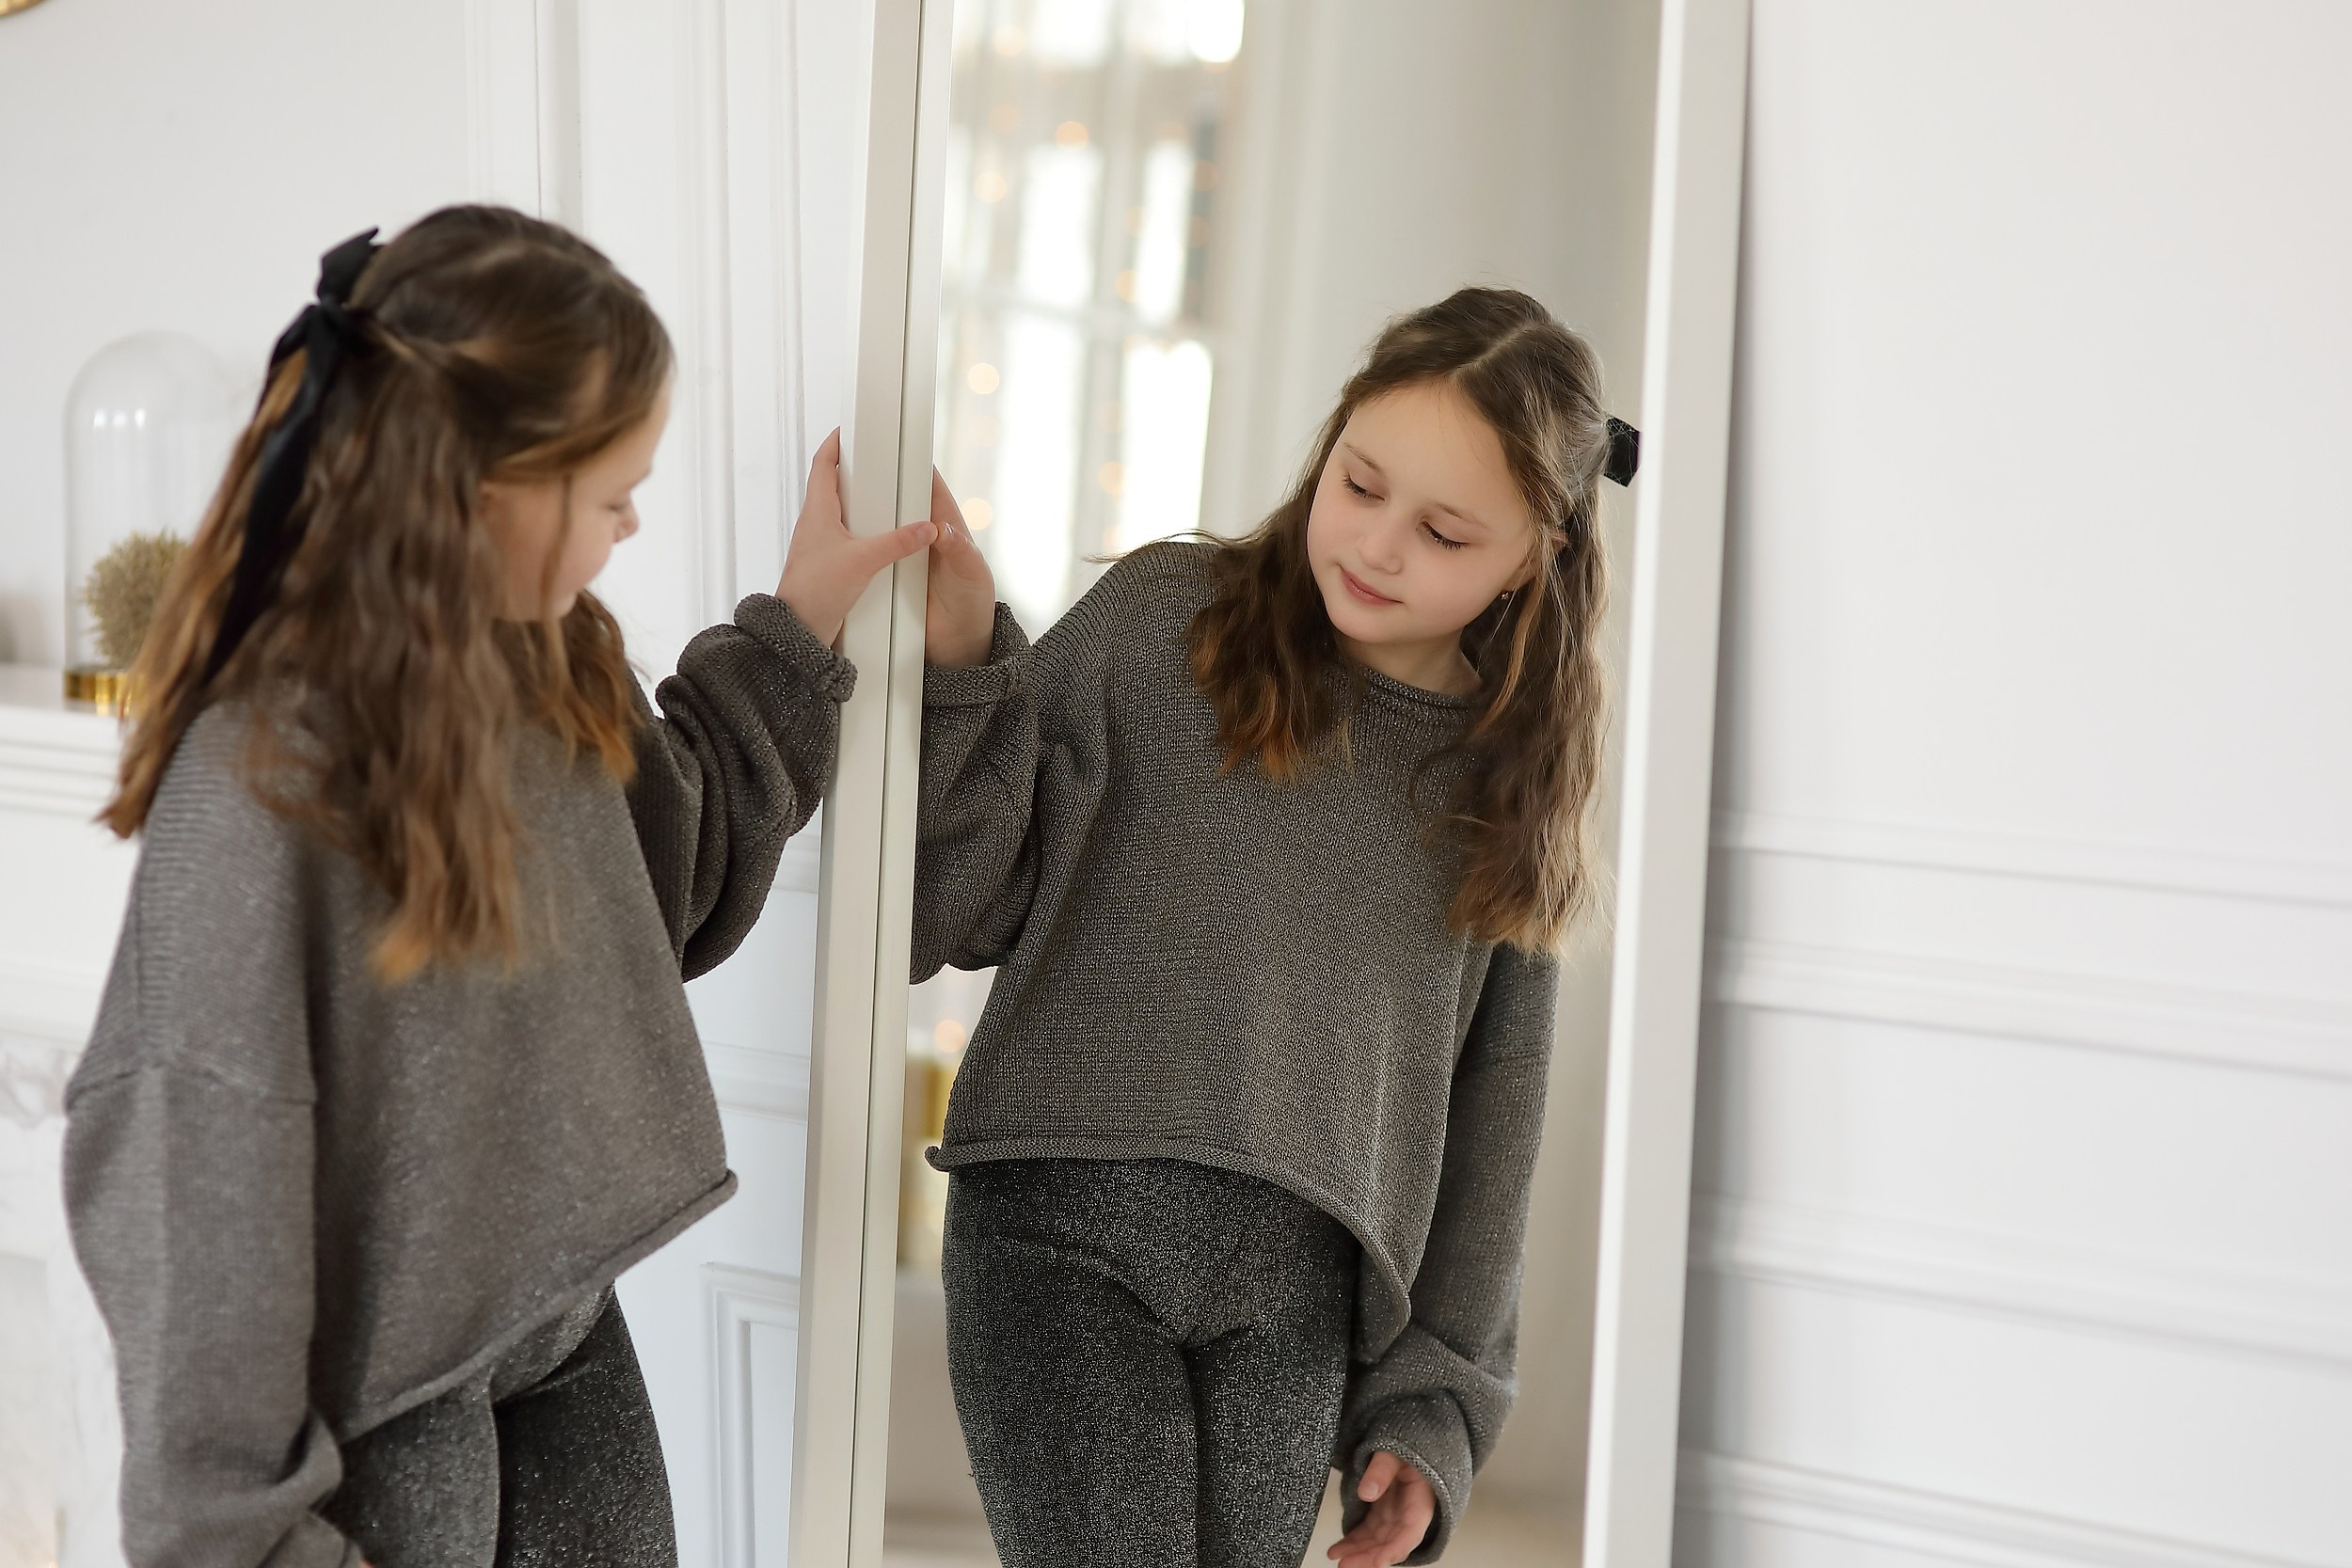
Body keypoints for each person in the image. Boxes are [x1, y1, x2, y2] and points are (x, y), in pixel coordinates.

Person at [62, 205, 932, 1568]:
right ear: (480, 491)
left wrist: (798, 624)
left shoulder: (541, 664)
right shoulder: (264, 778)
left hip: (560, 1331)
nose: (634, 521)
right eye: (608, 495)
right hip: (386, 1428)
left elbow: (660, 882)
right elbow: (190, 1172)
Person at [914, 286, 1639, 1568]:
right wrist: (969, 666)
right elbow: (955, 908)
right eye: (1359, 484)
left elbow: (1493, 1131)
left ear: (1535, 554)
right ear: (1332, 441)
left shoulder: (1504, 791)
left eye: (1446, 532)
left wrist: (1433, 1409)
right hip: (1054, 1234)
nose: (1378, 545)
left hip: (1295, 1301)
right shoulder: (1160, 628)